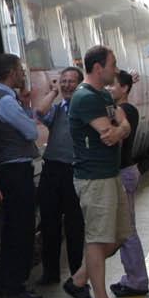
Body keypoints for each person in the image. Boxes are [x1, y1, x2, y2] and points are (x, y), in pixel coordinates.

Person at [61, 46, 134, 298]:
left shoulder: (102, 94)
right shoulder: (85, 98)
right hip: (94, 178)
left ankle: (79, 280)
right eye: (112, 64)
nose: (116, 70)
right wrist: (120, 127)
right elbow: (111, 134)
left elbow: (122, 124)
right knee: (98, 238)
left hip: (109, 174)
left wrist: (121, 126)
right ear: (97, 68)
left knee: (117, 237)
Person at [0, 53, 44, 298]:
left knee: (16, 227)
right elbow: (31, 131)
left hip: (11, 169)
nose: (23, 74)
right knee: (21, 227)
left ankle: (12, 281)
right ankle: (15, 284)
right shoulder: (6, 103)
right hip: (14, 171)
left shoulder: (5, 99)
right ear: (11, 72)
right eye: (20, 70)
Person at [34, 66, 86, 285]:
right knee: (49, 223)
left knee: (75, 226)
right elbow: (39, 111)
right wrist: (53, 92)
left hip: (74, 171)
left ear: (80, 84)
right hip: (52, 170)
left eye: (71, 81)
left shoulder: (84, 108)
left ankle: (77, 274)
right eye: (63, 81)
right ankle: (51, 273)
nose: (66, 85)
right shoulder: (57, 109)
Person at [109, 70, 148, 298]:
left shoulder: (123, 110)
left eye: (113, 85)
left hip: (122, 173)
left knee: (127, 231)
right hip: (128, 172)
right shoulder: (128, 109)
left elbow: (117, 144)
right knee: (126, 229)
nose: (108, 89)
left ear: (124, 88)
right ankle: (133, 278)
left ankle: (137, 280)